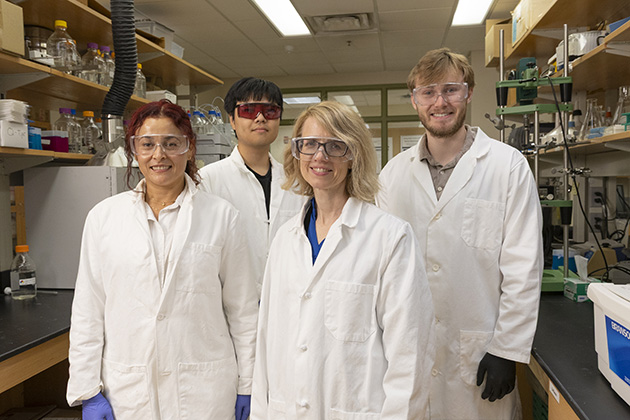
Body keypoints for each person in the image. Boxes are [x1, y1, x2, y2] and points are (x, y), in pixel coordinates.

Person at [66, 99, 258, 420]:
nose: (159, 155)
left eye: (171, 143)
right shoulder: (104, 218)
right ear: (134, 151)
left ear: (190, 148)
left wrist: (248, 384)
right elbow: (88, 310)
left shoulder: (223, 217)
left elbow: (243, 311)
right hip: (127, 391)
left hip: (204, 389)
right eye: (147, 144)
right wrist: (88, 389)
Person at [378, 48, 543, 419]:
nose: (440, 102)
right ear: (415, 101)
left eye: (451, 89)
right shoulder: (391, 175)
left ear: (468, 92)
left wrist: (508, 349)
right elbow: (380, 266)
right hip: (409, 353)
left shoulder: (507, 167)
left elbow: (523, 267)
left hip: (479, 355)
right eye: (428, 92)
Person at [251, 101, 435, 419]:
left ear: (353, 156)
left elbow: (410, 356)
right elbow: (267, 342)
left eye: (334, 146)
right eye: (308, 145)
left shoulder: (390, 237)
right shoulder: (284, 239)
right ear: (296, 152)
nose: (320, 157)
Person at [199, 77, 305, 296]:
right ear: (232, 120)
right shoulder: (208, 180)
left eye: (270, 111)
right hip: (230, 305)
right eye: (248, 110)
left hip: (287, 300)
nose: (260, 118)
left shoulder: (297, 182)